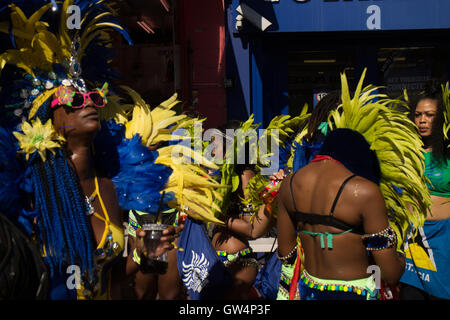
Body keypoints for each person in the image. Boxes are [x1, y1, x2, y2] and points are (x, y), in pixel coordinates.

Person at [0, 1, 220, 300]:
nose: (88, 102)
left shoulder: (106, 187)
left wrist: (142, 253)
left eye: (94, 96)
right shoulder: (33, 186)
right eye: (73, 99)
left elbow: (108, 275)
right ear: (48, 118)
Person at [276, 128, 406, 300]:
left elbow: (286, 253)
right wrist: (402, 258)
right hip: (354, 294)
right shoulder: (365, 191)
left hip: (309, 290)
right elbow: (390, 274)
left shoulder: (289, 184)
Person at [399, 83, 450, 300]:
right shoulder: (403, 151)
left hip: (443, 241)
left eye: (429, 115)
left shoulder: (447, 154)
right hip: (411, 241)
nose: (422, 120)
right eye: (418, 114)